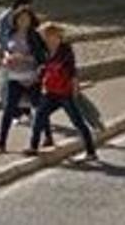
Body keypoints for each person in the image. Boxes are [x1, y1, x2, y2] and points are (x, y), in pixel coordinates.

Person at [26, 22, 98, 162]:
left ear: (55, 35)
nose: (45, 39)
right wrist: (41, 73)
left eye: (47, 36)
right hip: (51, 91)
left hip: (65, 92)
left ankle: (91, 152)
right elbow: (46, 67)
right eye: (43, 36)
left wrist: (75, 86)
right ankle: (33, 147)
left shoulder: (65, 50)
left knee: (78, 123)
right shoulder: (46, 50)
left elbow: (71, 70)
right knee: (39, 115)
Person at [0, 8, 53, 152]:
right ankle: (2, 141)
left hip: (32, 78)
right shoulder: (10, 33)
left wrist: (24, 58)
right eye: (21, 19)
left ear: (31, 20)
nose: (23, 21)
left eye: (26, 19)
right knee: (8, 109)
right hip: (14, 76)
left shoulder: (34, 36)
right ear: (15, 20)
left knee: (39, 109)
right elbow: (7, 50)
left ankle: (48, 136)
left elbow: (42, 56)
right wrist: (6, 58)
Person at [0, 0, 34, 122]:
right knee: (10, 85)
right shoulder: (4, 18)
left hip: (24, 56)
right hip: (11, 55)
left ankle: (26, 112)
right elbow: (1, 38)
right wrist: (11, 51)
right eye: (26, 6)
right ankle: (14, 114)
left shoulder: (26, 17)